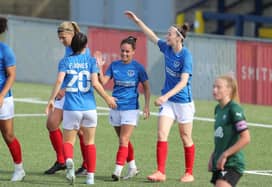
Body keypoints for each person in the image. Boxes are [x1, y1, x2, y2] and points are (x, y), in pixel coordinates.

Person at [125, 11, 196, 183]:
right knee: (161, 133)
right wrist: (138, 20)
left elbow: (183, 82)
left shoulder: (186, 55)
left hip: (183, 103)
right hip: (170, 102)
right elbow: (151, 36)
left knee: (185, 137)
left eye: (170, 34)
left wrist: (164, 97)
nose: (167, 36)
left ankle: (189, 173)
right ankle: (160, 172)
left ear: (178, 38)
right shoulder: (167, 48)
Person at [45, 32, 117, 185]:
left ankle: (69, 160)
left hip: (71, 108)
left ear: (72, 45)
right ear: (85, 46)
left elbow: (59, 81)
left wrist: (51, 99)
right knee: (89, 142)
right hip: (89, 108)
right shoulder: (91, 61)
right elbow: (96, 84)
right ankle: (90, 177)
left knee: (68, 142)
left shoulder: (65, 61)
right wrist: (108, 98)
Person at [96, 36, 151, 181]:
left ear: (133, 52)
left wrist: (146, 105)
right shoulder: (114, 65)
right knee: (123, 140)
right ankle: (132, 167)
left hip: (131, 109)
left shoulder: (138, 68)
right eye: (122, 51)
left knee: (123, 139)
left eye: (127, 51)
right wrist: (99, 66)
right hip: (115, 108)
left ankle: (117, 171)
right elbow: (102, 82)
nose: (124, 54)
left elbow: (146, 87)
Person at [44, 21, 89, 176]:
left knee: (81, 132)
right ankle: (62, 160)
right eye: (59, 37)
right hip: (64, 93)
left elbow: (83, 75)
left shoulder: (82, 49)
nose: (61, 40)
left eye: (63, 37)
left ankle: (86, 165)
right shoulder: (68, 48)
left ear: (71, 34)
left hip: (75, 94)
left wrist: (63, 88)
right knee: (51, 124)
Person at [208, 75, 250, 187]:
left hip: (233, 163)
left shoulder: (234, 109)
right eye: (214, 87)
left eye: (218, 87)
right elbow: (221, 137)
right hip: (220, 162)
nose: (214, 90)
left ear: (229, 90)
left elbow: (246, 138)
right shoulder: (217, 109)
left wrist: (225, 155)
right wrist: (213, 155)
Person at [0, 16, 25, 181]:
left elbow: (11, 75)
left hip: (3, 99)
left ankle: (19, 169)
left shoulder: (5, 50)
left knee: (8, 135)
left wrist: (1, 95)